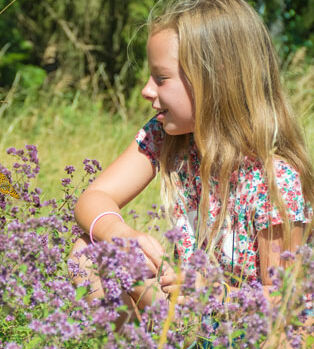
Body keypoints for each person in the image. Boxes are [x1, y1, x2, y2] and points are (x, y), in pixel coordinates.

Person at [69, 0, 313, 331]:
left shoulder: (275, 179)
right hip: (187, 316)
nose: (146, 90)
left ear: (214, 81)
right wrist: (121, 234)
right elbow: (93, 197)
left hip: (243, 329)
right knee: (90, 250)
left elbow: (287, 301)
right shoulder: (166, 137)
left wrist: (214, 296)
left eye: (161, 78)